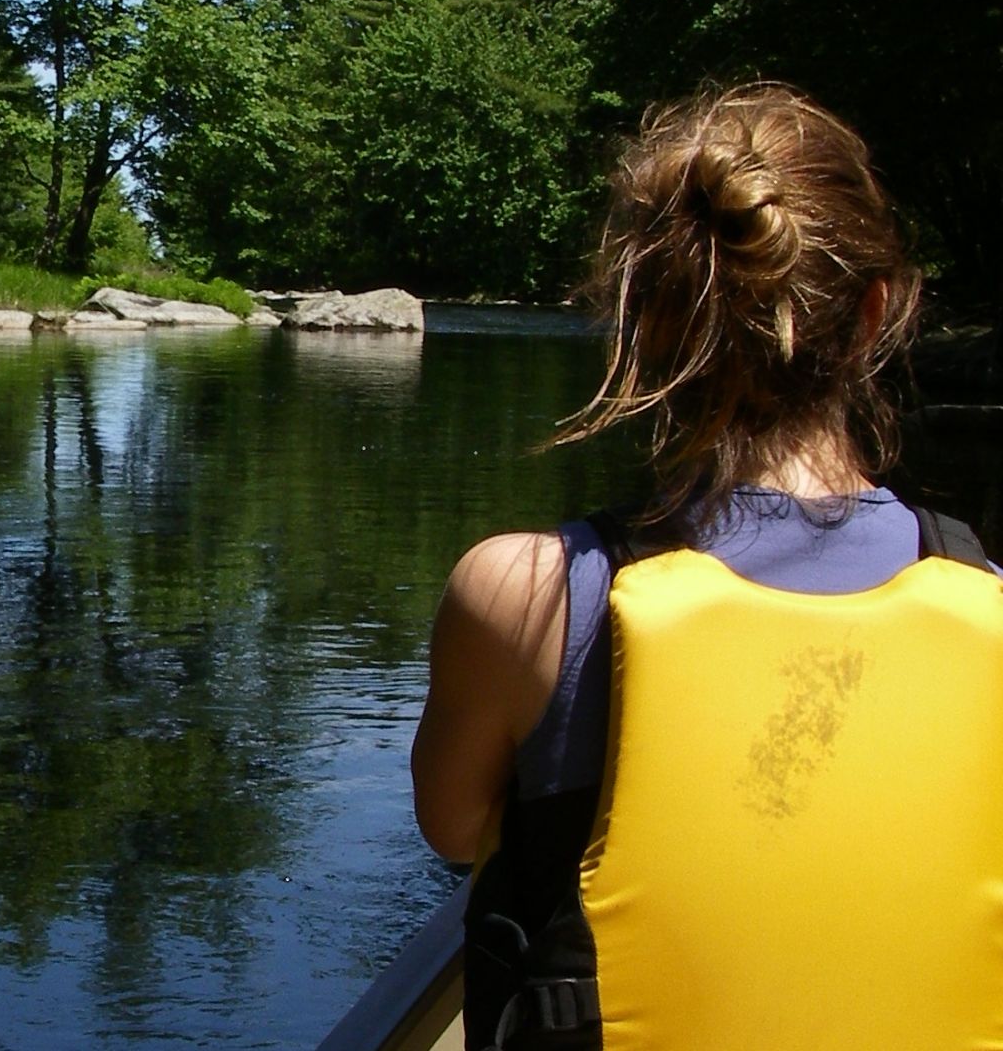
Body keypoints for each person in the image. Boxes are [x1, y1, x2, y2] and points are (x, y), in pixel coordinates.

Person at [410, 83, 1003, 1050]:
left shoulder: (521, 597)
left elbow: (451, 825)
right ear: (876, 313)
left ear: (637, 323)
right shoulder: (992, 613)